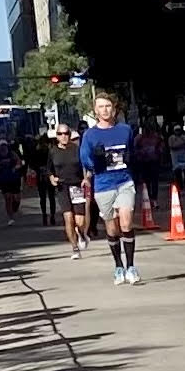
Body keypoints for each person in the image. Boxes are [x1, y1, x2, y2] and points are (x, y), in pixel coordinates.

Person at [79, 93, 141, 286]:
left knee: (126, 221)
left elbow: (132, 151)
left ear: (113, 109)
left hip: (124, 181)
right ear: (95, 111)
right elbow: (85, 158)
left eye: (108, 106)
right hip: (103, 184)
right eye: (101, 107)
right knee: (112, 227)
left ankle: (131, 266)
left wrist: (130, 158)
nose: (105, 110)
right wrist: (97, 161)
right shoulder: (90, 135)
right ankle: (118, 266)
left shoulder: (125, 130)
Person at [48, 123, 89, 259]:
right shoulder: (53, 151)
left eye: (66, 134)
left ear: (70, 135)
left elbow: (86, 165)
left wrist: (86, 178)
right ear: (57, 136)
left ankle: (82, 234)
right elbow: (49, 169)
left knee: (80, 221)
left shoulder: (77, 149)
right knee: (68, 218)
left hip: (77, 185)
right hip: (62, 187)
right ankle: (75, 248)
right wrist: (51, 178)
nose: (63, 136)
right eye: (60, 134)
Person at [0, 138, 23, 223]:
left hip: (14, 178)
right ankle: (10, 217)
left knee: (16, 198)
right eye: (1, 146)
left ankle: (15, 208)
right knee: (8, 197)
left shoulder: (12, 154)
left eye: (4, 145)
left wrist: (16, 167)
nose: (3, 148)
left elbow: (19, 162)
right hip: (3, 179)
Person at [133, 120, 164, 204]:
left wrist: (160, 155)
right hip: (143, 161)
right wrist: (139, 154)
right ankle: (148, 197)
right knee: (146, 180)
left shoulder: (156, 137)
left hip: (154, 161)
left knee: (154, 180)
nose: (147, 130)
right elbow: (134, 148)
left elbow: (161, 147)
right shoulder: (139, 138)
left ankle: (154, 198)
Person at [32, 131, 57, 227]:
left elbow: (32, 163)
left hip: (41, 176)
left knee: (43, 197)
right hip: (48, 175)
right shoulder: (51, 151)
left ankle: (45, 215)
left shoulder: (37, 150)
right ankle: (51, 215)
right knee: (51, 197)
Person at [167, 123, 185, 190]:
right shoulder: (171, 138)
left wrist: (183, 144)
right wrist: (181, 145)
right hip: (176, 158)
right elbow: (171, 146)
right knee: (177, 173)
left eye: (179, 130)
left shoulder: (184, 137)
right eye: (176, 130)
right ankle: (180, 186)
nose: (177, 131)